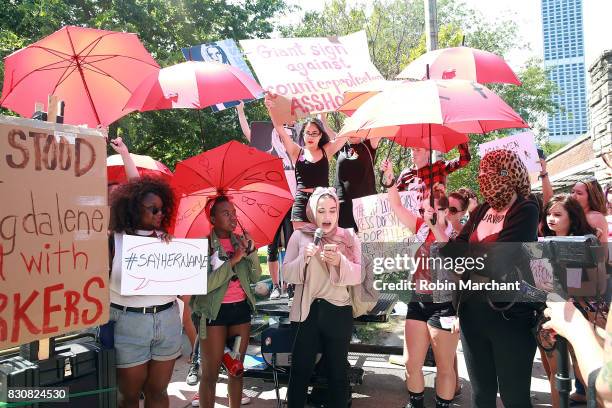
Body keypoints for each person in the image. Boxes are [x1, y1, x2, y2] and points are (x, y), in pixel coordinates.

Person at [443, 149, 540, 408]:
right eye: (481, 170)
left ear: (507, 173)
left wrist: (469, 257)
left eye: (490, 170)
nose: (483, 175)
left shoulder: (527, 207)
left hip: (510, 315)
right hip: (472, 312)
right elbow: (452, 253)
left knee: (514, 397)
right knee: (482, 394)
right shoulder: (481, 210)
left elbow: (500, 263)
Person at [382, 161, 459, 408]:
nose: (427, 216)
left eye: (433, 211)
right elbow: (395, 205)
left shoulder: (456, 236)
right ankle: (415, 403)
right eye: (424, 211)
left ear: (445, 212)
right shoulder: (419, 228)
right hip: (418, 300)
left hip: (445, 306)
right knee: (410, 363)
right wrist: (390, 180)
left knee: (444, 366)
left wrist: (437, 228)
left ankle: (442, 404)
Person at [282, 187, 363, 407]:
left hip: (338, 313)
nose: (327, 216)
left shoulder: (348, 237)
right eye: (321, 210)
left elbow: (358, 275)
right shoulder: (300, 235)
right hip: (305, 313)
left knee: (337, 374)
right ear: (312, 212)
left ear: (338, 211)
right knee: (299, 372)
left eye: (332, 210)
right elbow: (285, 273)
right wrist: (303, 259)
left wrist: (339, 262)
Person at [108, 177, 181, 408]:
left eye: (162, 209)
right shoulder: (114, 241)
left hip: (167, 320)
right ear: (133, 209)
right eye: (154, 209)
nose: (160, 213)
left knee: (158, 392)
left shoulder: (168, 241)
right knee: (129, 396)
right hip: (129, 322)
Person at [189, 196, 262, 408]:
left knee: (236, 370)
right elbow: (203, 285)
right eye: (226, 213)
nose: (233, 217)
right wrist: (234, 260)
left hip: (240, 311)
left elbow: (256, 277)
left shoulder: (240, 241)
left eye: (234, 213)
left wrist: (253, 252)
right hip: (214, 313)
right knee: (209, 375)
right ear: (212, 218)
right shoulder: (203, 246)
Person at [539, 194, 608, 407]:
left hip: (582, 313)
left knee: (585, 369)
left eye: (558, 214)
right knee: (555, 371)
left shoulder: (588, 242)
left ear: (572, 216)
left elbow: (596, 281)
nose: (551, 219)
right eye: (548, 214)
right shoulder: (539, 241)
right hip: (551, 310)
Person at [236, 101, 296, 299]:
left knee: (290, 243)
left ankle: (289, 285)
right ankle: (277, 286)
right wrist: (240, 111)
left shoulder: (295, 143)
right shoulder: (267, 145)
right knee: (271, 246)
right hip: (272, 201)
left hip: (292, 200)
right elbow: (249, 134)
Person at [265, 93, 346, 230]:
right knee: (303, 247)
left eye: (315, 133)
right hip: (301, 203)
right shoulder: (296, 151)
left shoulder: (326, 151)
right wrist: (271, 109)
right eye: (308, 132)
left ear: (320, 136)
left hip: (322, 203)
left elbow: (344, 137)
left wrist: (352, 121)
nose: (311, 136)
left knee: (322, 245)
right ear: (303, 134)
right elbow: (280, 130)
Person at [542, 295, 611, 407]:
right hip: (559, 312)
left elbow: (607, 390)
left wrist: (578, 327)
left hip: (567, 312)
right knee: (559, 371)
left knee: (564, 371)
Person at [335, 135, 381, 231]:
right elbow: (326, 128)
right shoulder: (341, 146)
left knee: (365, 240)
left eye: (356, 131)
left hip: (366, 205)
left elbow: (380, 129)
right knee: (346, 241)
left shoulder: (368, 145)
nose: (353, 133)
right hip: (344, 205)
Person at [396, 143, 471, 193]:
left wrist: (460, 140)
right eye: (412, 149)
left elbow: (464, 160)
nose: (413, 153)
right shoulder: (405, 174)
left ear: (428, 153)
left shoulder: (439, 167)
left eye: (418, 150)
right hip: (412, 216)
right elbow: (396, 198)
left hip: (436, 215)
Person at [570, 178, 608, 243]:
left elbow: (599, 251)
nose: (573, 196)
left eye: (579, 193)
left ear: (591, 198)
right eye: (572, 192)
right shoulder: (576, 215)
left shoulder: (594, 217)